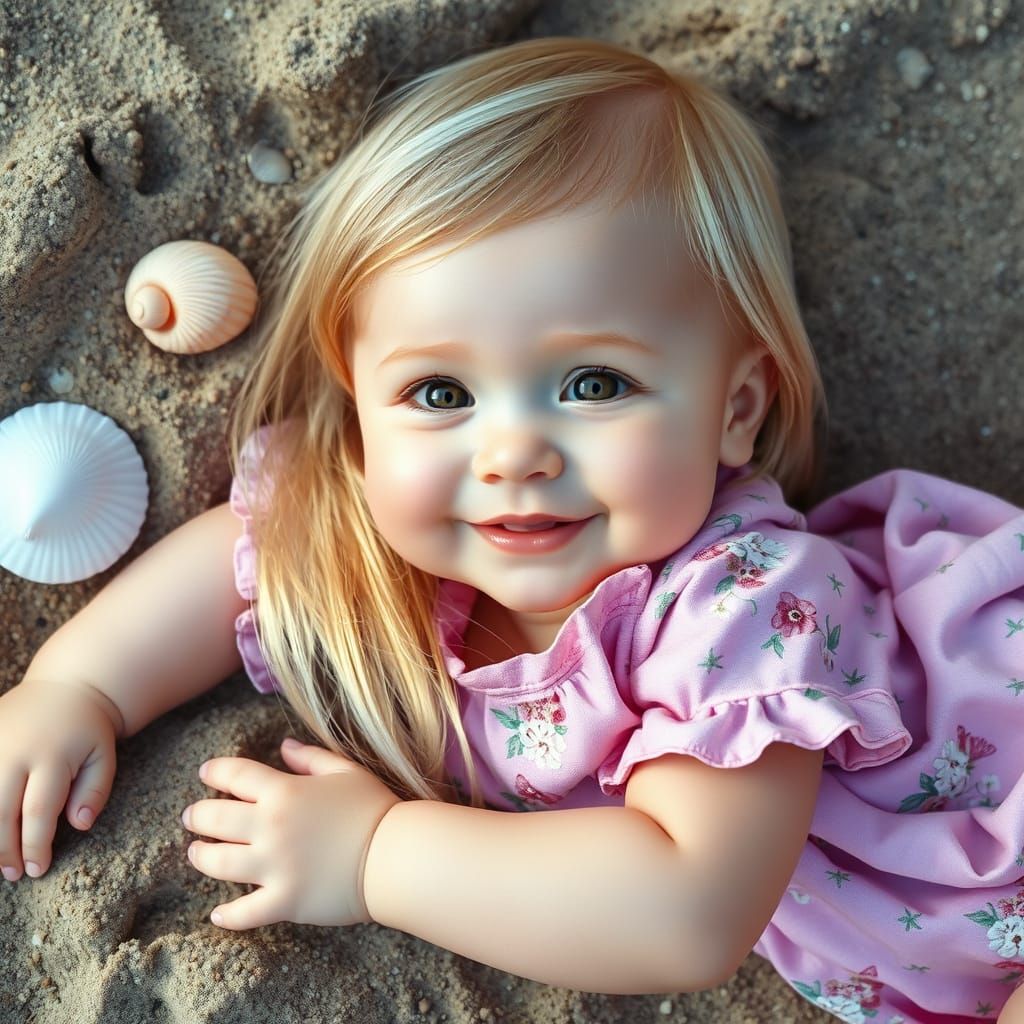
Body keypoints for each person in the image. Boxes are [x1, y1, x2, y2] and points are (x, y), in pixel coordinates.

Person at [2, 35, 1023, 1024]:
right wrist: (77, 686)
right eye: (440, 392)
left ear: (734, 408)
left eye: (594, 384)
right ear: (360, 410)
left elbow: (687, 912)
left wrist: (376, 856)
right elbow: (256, 550)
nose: (512, 453)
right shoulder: (384, 542)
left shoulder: (748, 598)